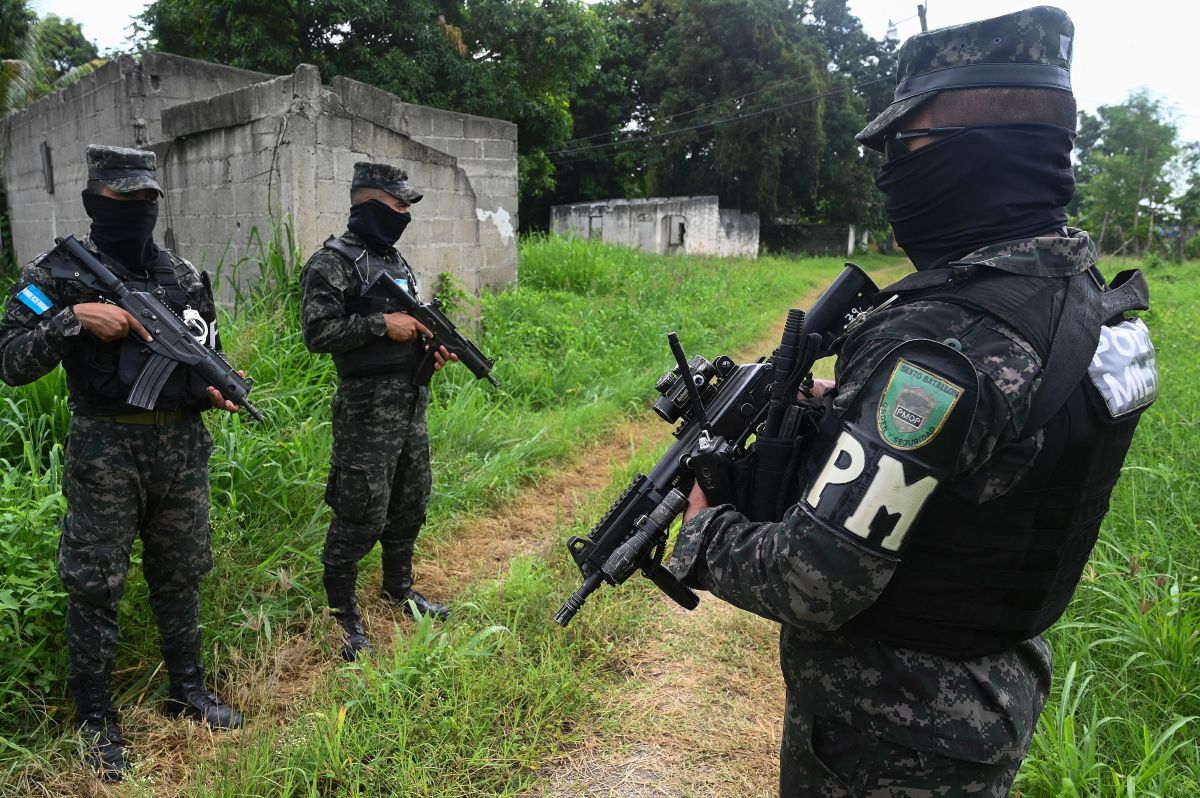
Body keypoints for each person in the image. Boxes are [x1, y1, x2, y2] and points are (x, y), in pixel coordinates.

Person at [667, 7, 1159, 796]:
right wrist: (844, 401)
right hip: (988, 695)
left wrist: (700, 530)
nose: (890, 171)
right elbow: (995, 451)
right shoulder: (1074, 291)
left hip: (888, 737)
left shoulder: (944, 338)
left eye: (905, 147)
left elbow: (811, 581)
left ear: (975, 153)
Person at [0, 145, 245, 782]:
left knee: (182, 571)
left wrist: (214, 390)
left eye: (145, 199)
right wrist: (72, 320)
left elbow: (199, 356)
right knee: (95, 583)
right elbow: (10, 359)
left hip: (181, 449)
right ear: (93, 200)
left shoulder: (185, 276)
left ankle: (186, 689)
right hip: (105, 449)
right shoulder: (54, 275)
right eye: (122, 198)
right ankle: (96, 721)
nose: (135, 209)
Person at [300, 162, 456, 662]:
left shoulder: (394, 261)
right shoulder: (331, 263)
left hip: (410, 404)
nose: (404, 214)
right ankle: (342, 614)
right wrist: (379, 326)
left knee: (410, 500)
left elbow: (409, 325)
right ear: (367, 204)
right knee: (360, 509)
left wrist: (429, 349)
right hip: (366, 410)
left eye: (407, 206)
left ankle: (398, 589)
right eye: (397, 205)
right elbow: (318, 334)